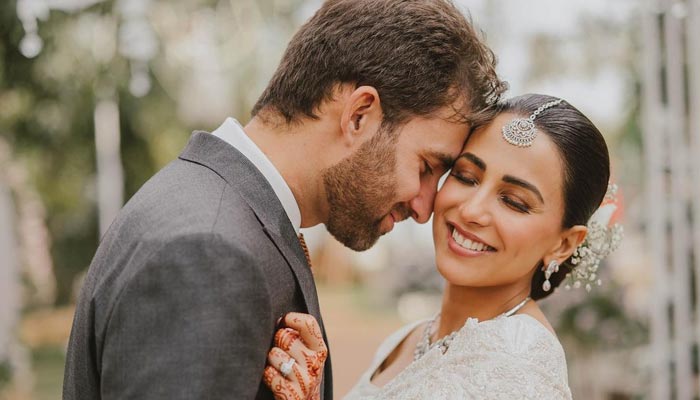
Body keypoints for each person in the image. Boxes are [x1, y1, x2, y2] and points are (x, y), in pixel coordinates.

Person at [62, 0, 507, 399]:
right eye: (427, 166)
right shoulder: (209, 251)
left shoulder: (218, 209)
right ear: (359, 116)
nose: (425, 207)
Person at [264, 94, 622, 399]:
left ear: (564, 244)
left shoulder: (519, 359)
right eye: (466, 176)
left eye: (514, 201)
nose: (471, 210)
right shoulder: (408, 338)